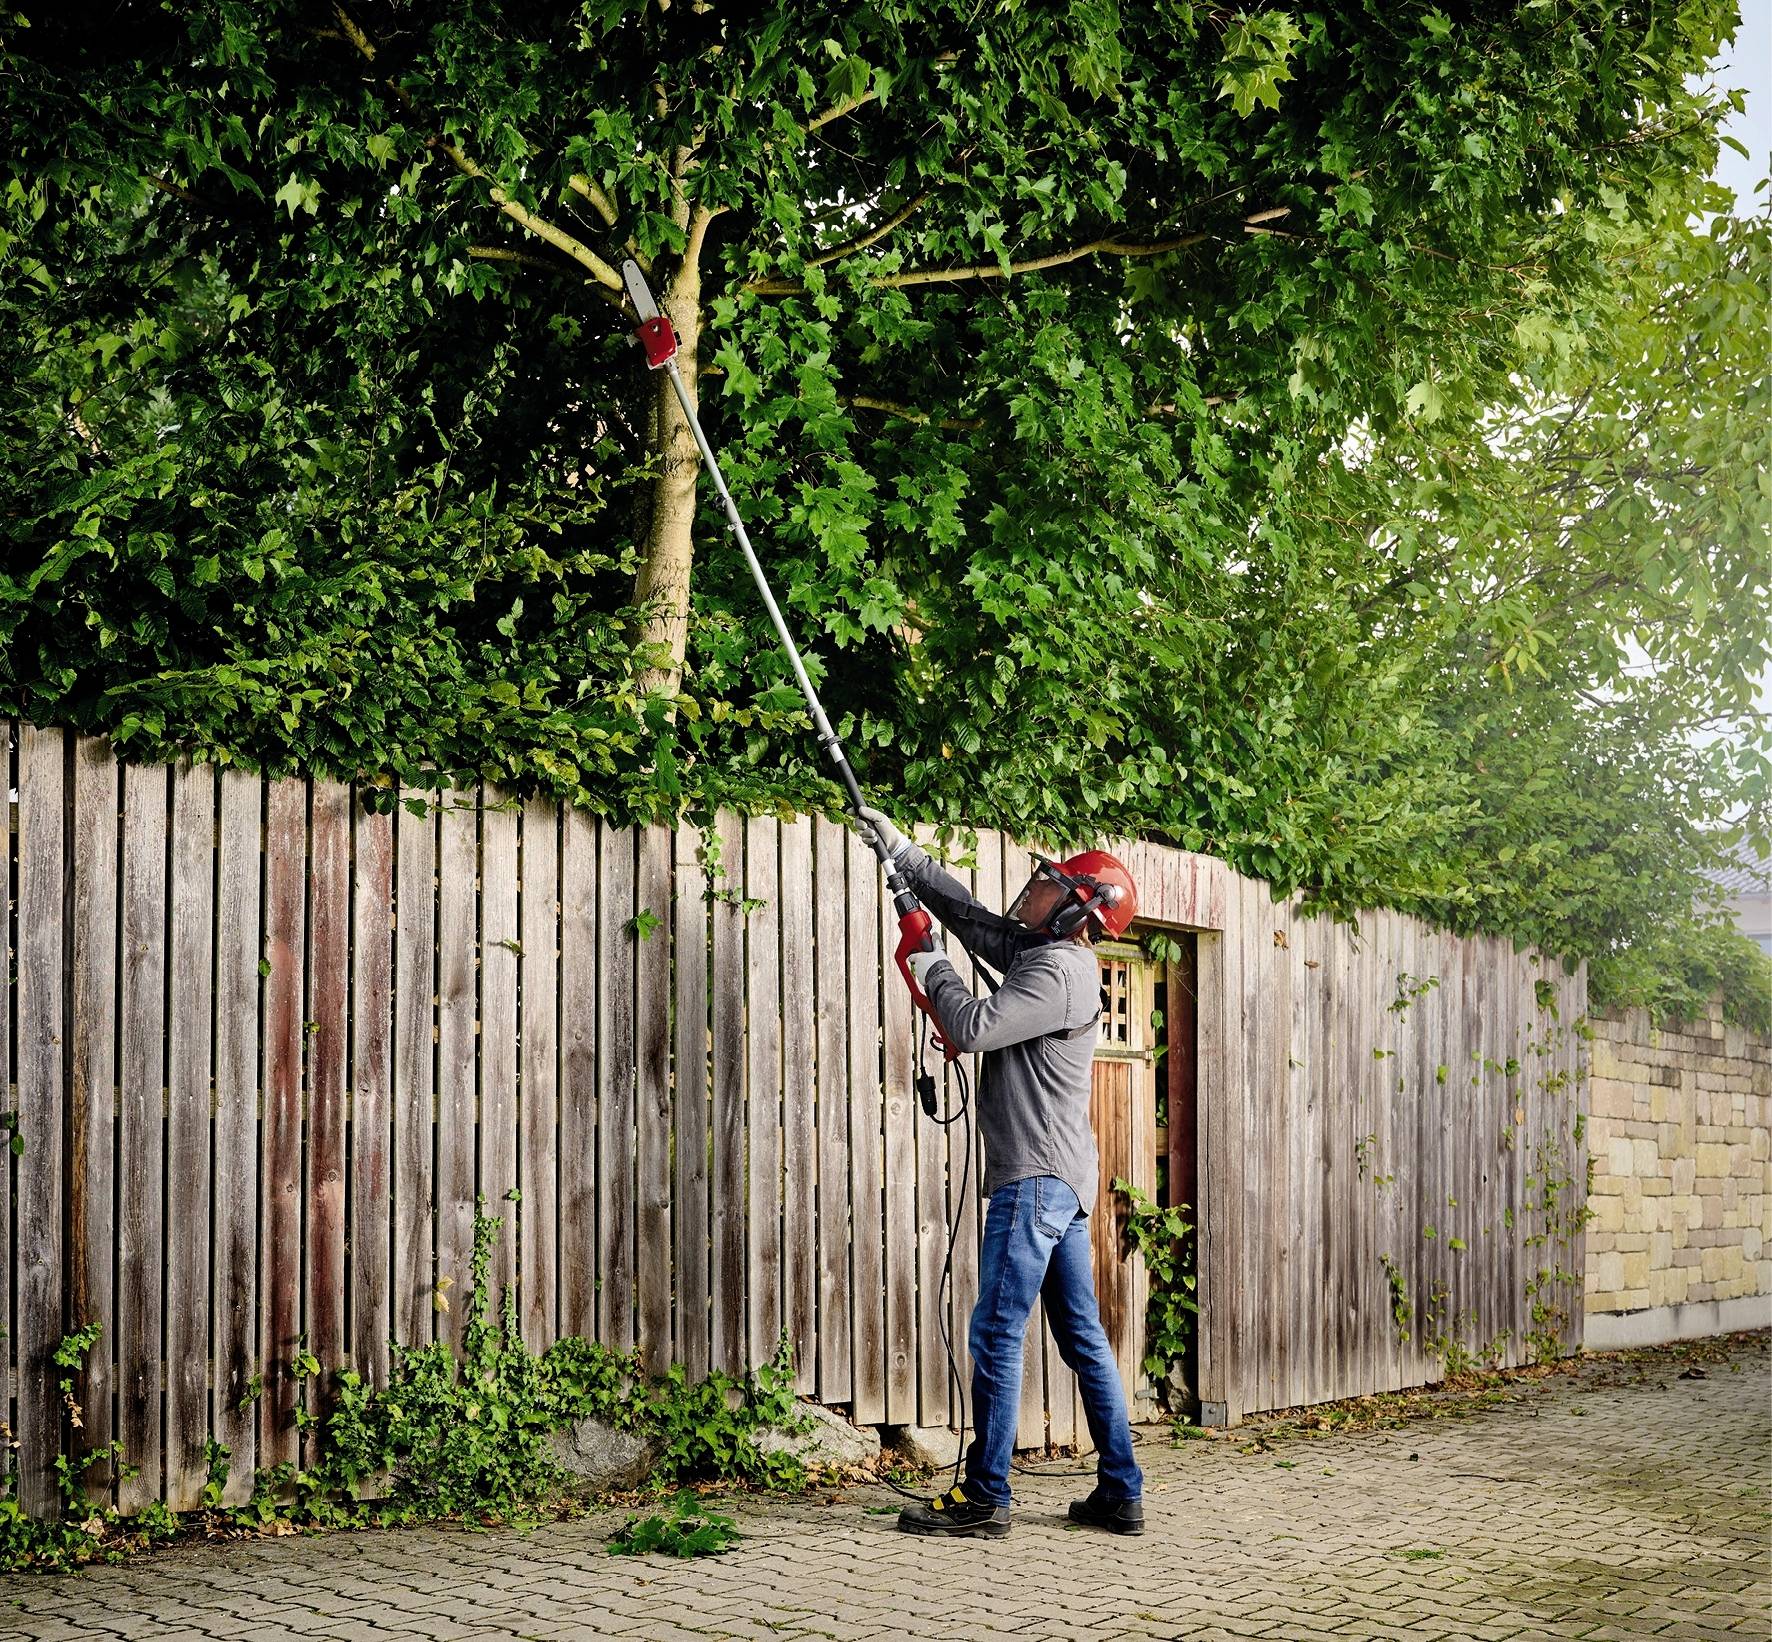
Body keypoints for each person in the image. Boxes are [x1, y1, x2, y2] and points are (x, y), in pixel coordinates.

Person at [854, 805, 1146, 1540]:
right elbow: (973, 918)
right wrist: (903, 854)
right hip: (1063, 1178)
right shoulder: (1046, 955)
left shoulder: (1058, 972)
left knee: (995, 1330)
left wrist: (928, 962)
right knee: (1082, 1336)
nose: (1037, 892)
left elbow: (972, 1027)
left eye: (1055, 887)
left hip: (1037, 1182)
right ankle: (1120, 1492)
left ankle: (985, 1498)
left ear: (1081, 911)